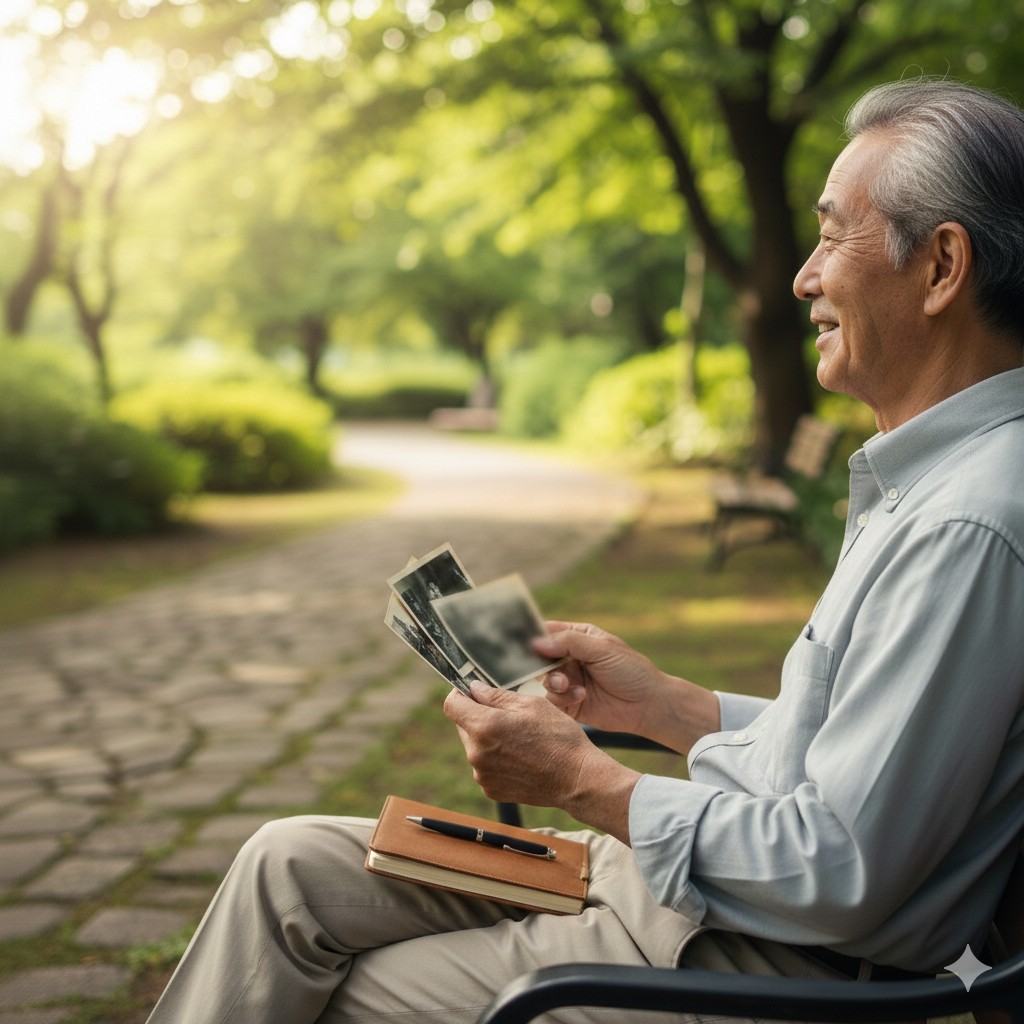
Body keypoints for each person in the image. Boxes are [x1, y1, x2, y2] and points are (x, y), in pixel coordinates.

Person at [145, 77, 1024, 1024]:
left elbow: (841, 869)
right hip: (702, 901)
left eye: (832, 235)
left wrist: (583, 780)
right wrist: (663, 705)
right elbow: (849, 761)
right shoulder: (935, 487)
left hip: (756, 962)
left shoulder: (967, 523)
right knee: (286, 865)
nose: (804, 276)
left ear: (940, 268)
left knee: (340, 994)